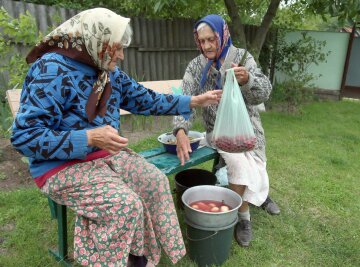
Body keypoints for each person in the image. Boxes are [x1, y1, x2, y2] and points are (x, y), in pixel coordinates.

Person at [10, 8, 222, 267]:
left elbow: (147, 100)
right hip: (59, 166)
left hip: (103, 157)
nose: (122, 55)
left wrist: (193, 101)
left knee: (154, 181)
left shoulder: (107, 71)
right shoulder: (51, 69)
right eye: (117, 48)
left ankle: (139, 256)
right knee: (124, 204)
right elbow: (24, 137)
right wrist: (88, 138)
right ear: (95, 42)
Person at [173, 14, 280, 247]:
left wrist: (247, 79)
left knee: (254, 158)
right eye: (202, 41)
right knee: (239, 163)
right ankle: (243, 218)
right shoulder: (196, 66)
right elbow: (184, 100)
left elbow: (264, 92)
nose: (207, 45)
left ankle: (260, 196)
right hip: (218, 134)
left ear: (222, 35)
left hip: (249, 130)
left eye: (211, 39)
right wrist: (180, 129)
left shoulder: (241, 58)